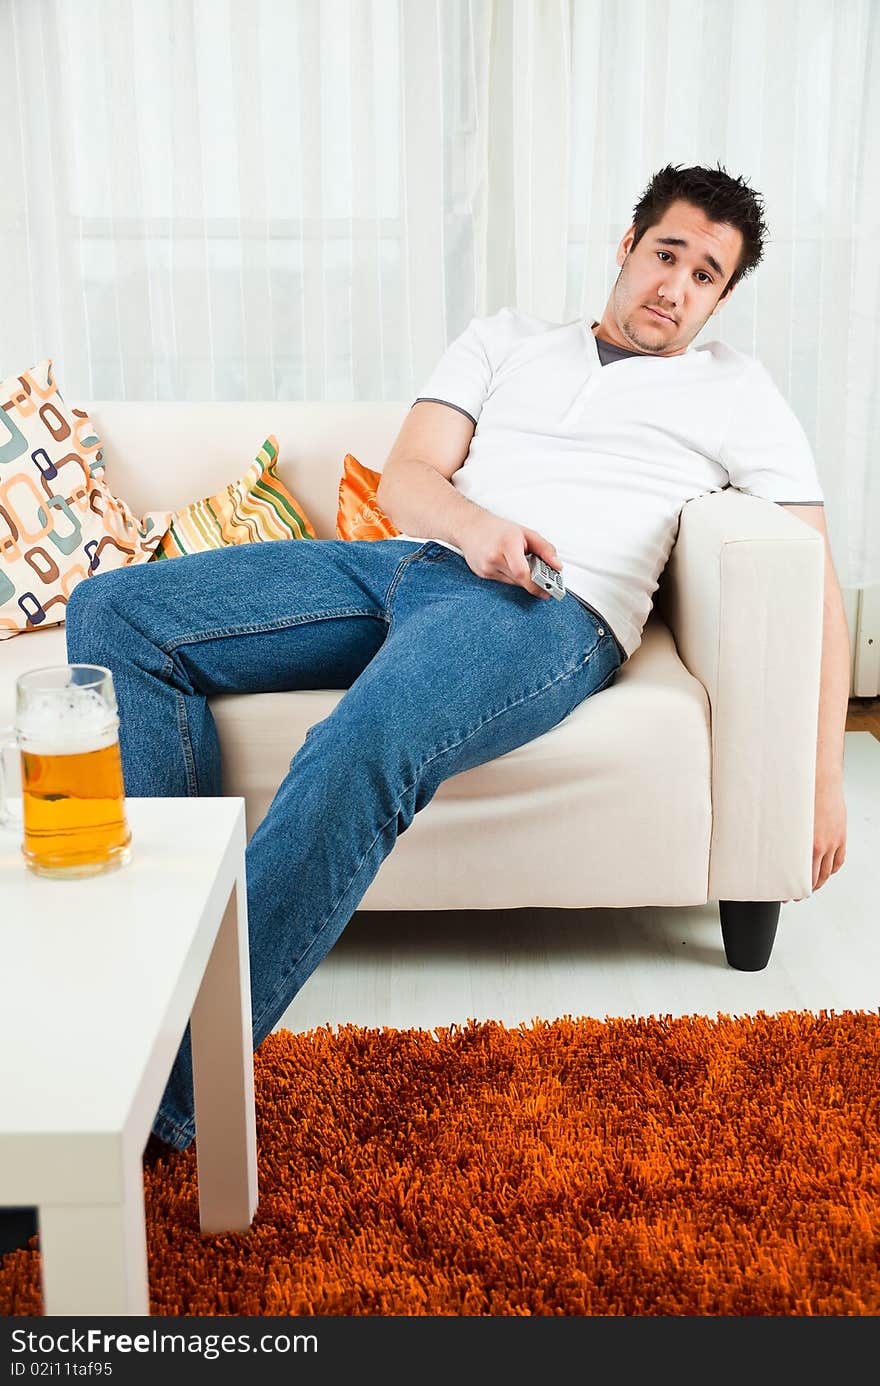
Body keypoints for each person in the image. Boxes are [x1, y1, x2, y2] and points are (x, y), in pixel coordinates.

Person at [62, 161, 848, 1161]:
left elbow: (810, 577)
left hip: (546, 610)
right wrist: (475, 527)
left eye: (705, 276)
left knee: (363, 743)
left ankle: (153, 1108)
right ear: (625, 246)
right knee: (118, 609)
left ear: (721, 297)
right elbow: (407, 475)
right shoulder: (507, 339)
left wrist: (815, 782)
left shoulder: (737, 390)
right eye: (666, 255)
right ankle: (164, 946)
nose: (675, 289)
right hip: (412, 563)